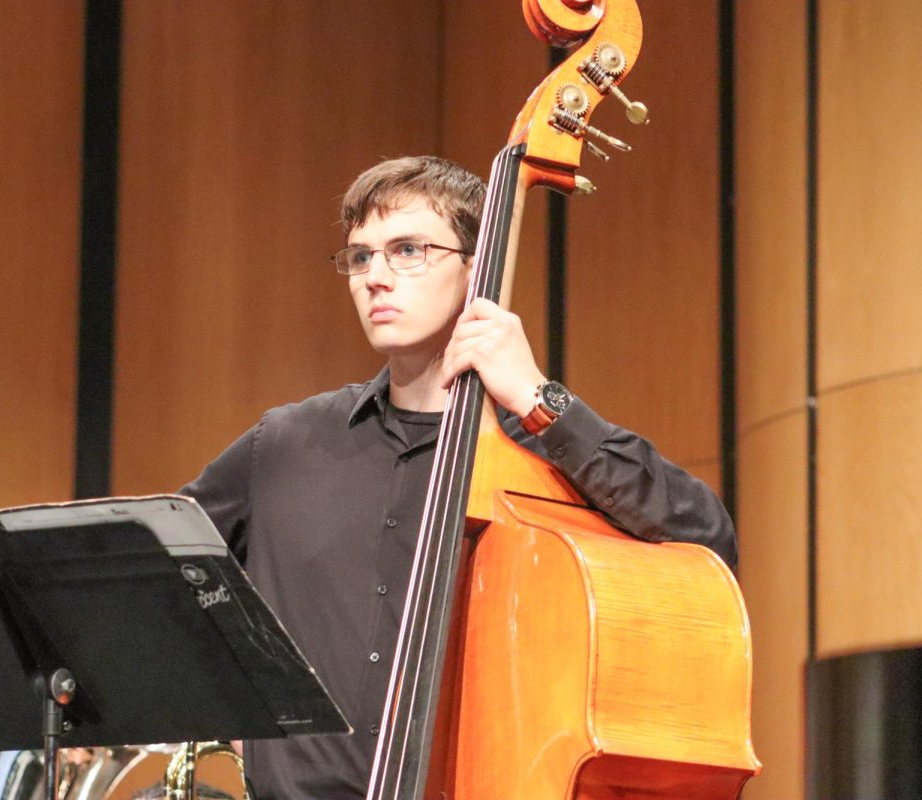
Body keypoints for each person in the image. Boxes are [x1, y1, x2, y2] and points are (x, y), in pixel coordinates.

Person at [180, 155, 736, 799]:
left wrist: (539, 398)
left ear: (478, 270)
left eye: (408, 250)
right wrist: (237, 696)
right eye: (360, 257)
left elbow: (703, 537)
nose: (375, 278)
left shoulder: (548, 449)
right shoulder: (283, 444)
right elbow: (154, 572)